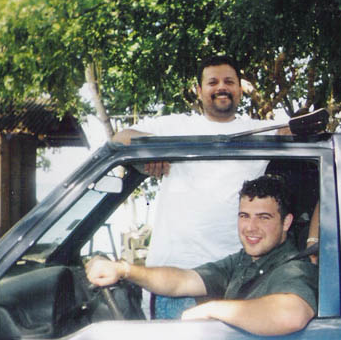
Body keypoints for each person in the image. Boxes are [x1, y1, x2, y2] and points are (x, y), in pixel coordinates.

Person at [112, 55, 275, 318]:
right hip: (172, 281)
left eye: (229, 81)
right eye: (212, 82)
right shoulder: (173, 126)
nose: (221, 87)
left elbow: (300, 132)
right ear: (199, 91)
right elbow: (120, 139)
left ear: (240, 89)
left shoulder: (259, 131)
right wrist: (155, 150)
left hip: (233, 280)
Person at [86, 175, 318, 336]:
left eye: (263, 218)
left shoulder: (293, 267)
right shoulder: (243, 260)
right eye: (244, 216)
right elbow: (182, 281)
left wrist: (211, 309)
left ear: (286, 222)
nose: (251, 227)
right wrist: (123, 270)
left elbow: (292, 314)